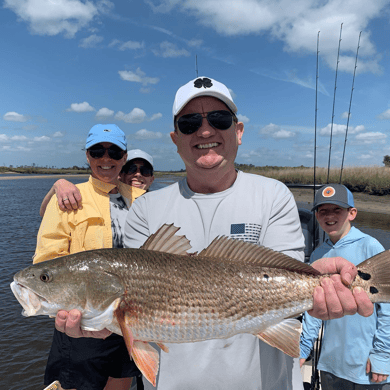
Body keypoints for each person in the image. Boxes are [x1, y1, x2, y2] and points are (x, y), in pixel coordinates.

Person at [54, 77, 373, 389]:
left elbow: (286, 274)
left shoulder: (273, 194)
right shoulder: (145, 209)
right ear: (175, 138)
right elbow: (136, 316)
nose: (205, 130)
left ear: (239, 130)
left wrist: (317, 289)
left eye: (219, 119)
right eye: (190, 123)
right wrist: (101, 324)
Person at [33, 124, 145, 390]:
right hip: (81, 325)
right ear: (87, 156)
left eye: (114, 151)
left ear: (124, 157)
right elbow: (46, 263)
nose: (106, 159)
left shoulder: (142, 199)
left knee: (121, 382)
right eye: (97, 151)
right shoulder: (70, 197)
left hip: (132, 318)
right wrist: (56, 186)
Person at [299, 184, 390, 389]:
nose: (329, 216)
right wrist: (303, 348)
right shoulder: (317, 255)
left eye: (337, 209)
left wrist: (382, 355)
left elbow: (387, 308)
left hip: (365, 365)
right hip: (330, 363)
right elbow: (315, 309)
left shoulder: (371, 246)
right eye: (323, 211)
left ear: (352, 213)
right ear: (317, 216)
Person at [39, 149, 154, 217]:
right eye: (131, 169)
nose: (138, 174)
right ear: (120, 174)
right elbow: (45, 213)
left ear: (151, 179)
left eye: (145, 171)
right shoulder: (102, 199)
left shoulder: (158, 204)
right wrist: (57, 185)